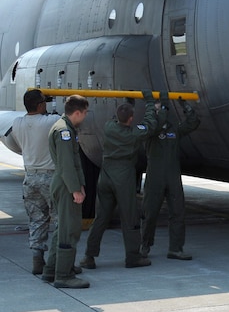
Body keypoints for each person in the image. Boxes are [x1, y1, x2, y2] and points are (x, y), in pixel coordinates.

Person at [82, 94, 160, 269]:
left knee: (101, 218)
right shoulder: (133, 134)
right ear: (131, 119)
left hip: (106, 176)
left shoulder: (109, 127)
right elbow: (149, 125)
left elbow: (117, 117)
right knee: (130, 217)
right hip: (123, 177)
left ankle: (89, 256)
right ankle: (133, 257)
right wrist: (149, 104)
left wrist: (128, 102)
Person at [4, 90, 61, 275]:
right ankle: (58, 260)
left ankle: (38, 258)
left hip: (30, 178)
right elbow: (66, 120)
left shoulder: (17, 123)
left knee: (37, 220)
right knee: (60, 220)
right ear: (40, 105)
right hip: (49, 177)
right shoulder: (50, 121)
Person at [140, 95, 200, 260]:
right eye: (158, 108)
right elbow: (155, 126)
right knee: (150, 213)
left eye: (161, 107)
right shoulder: (150, 129)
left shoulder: (174, 130)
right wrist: (155, 107)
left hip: (172, 176)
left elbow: (193, 122)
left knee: (178, 212)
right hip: (155, 177)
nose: (160, 110)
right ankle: (144, 245)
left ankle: (176, 248)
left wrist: (184, 105)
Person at [44, 95, 91, 288]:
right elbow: (66, 165)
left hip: (64, 184)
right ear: (78, 112)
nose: (86, 116)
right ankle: (63, 275)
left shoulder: (65, 128)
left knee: (62, 229)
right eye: (85, 113)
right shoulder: (64, 132)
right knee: (69, 231)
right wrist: (75, 189)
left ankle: (52, 269)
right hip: (66, 186)